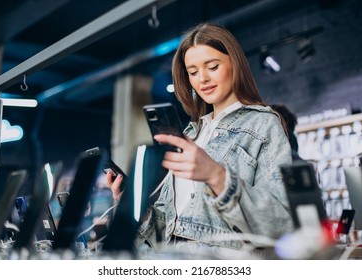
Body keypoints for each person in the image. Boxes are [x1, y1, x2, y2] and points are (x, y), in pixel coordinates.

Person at [107, 23, 294, 256]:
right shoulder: (191, 134)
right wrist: (134, 207)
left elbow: (282, 225)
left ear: (235, 64)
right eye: (193, 72)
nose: (203, 78)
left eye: (213, 67)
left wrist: (216, 176)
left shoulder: (263, 124)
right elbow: (164, 232)